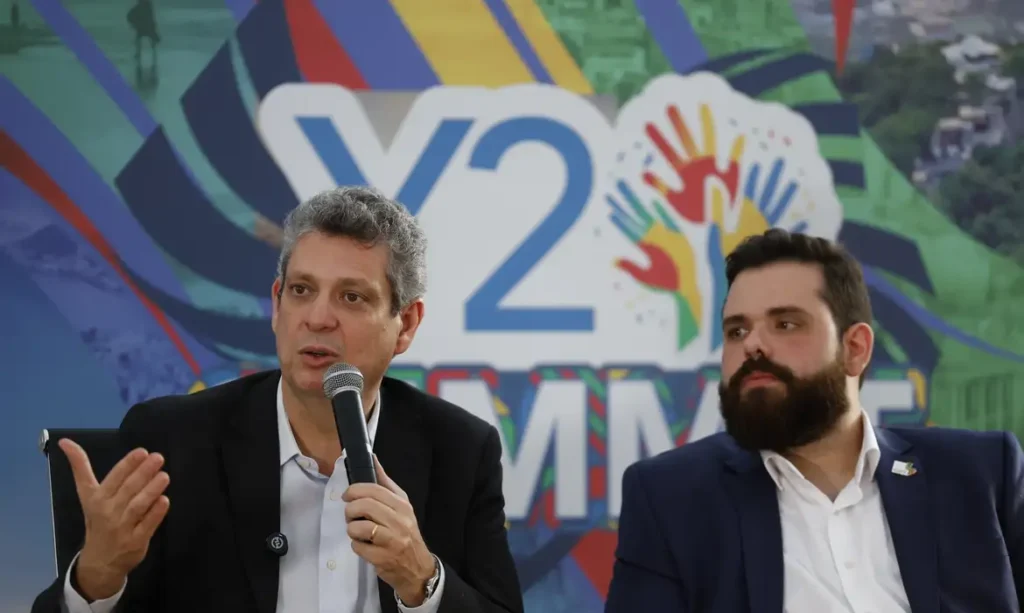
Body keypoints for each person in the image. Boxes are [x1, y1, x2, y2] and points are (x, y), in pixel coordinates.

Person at [32, 187, 524, 613]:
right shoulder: (173, 442)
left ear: (407, 324)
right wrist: (97, 576)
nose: (317, 318)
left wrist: (423, 580)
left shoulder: (460, 451)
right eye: (302, 290)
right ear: (276, 303)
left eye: (352, 297)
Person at [605, 229, 1024, 613]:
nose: (753, 345)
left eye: (785, 324)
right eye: (737, 331)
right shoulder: (672, 499)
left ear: (855, 348)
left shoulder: (980, 472)